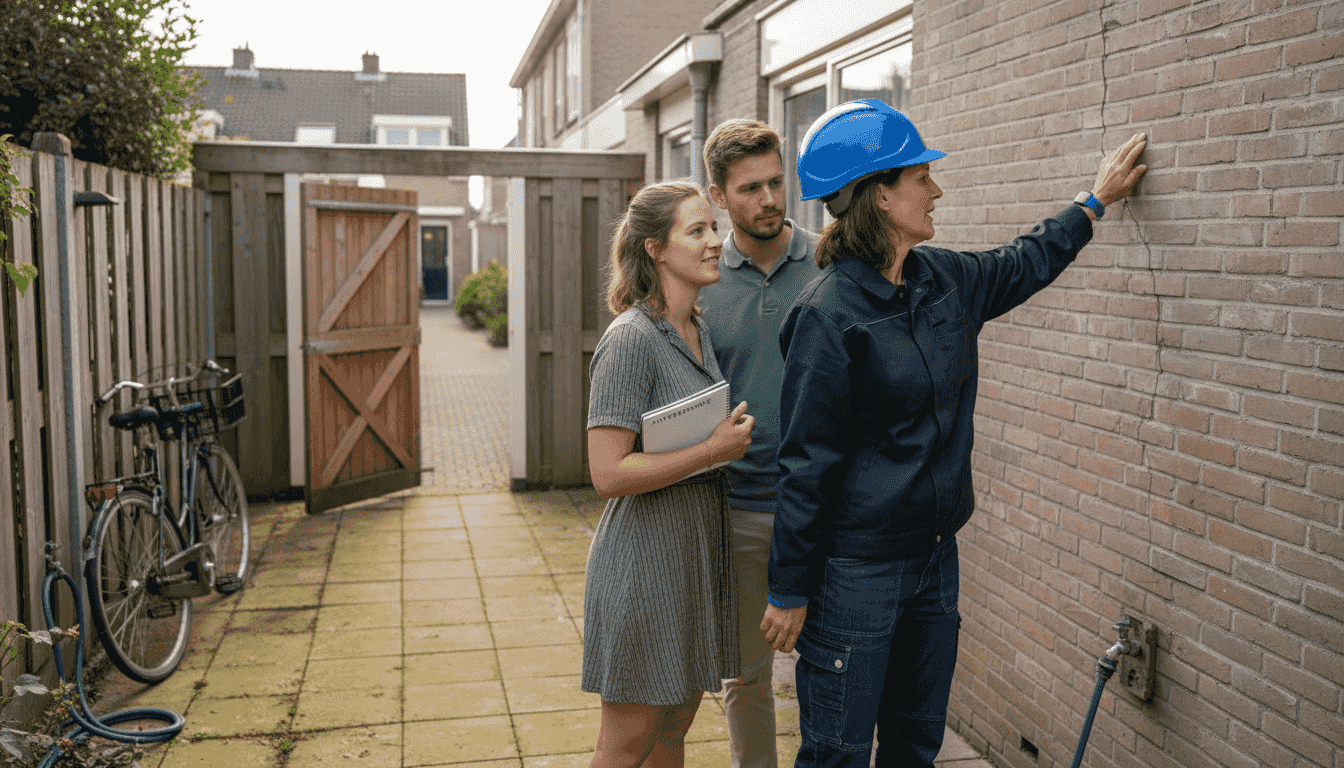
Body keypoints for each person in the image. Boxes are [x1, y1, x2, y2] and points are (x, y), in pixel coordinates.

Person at [759, 99, 1148, 767]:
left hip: (935, 561)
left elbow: (1025, 260)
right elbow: (807, 461)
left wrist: (1094, 202)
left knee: (915, 743)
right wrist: (789, 588)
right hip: (857, 574)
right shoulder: (827, 316)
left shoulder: (943, 280)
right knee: (838, 751)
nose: (936, 189)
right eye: (920, 177)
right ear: (878, 196)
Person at [584, 180, 756, 768]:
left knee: (673, 730)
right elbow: (606, 473)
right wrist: (714, 450)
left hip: (691, 560)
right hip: (642, 566)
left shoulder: (697, 330)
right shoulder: (630, 339)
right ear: (656, 249)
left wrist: (719, 438)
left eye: (713, 228)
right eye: (698, 230)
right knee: (628, 741)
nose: (716, 242)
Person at [696, 119, 821, 768]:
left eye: (777, 183)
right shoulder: (702, 283)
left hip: (828, 508)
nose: (770, 199)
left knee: (830, 668)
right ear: (718, 197)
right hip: (740, 508)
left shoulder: (832, 263)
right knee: (745, 676)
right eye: (750, 189)